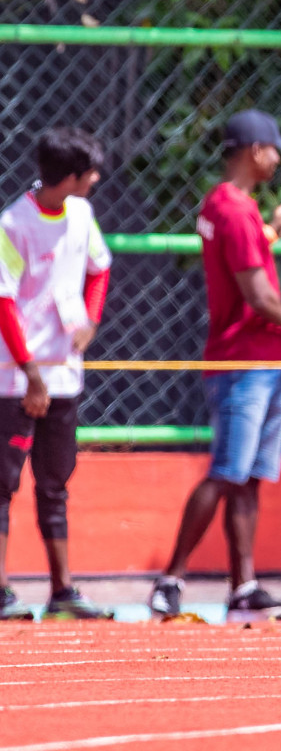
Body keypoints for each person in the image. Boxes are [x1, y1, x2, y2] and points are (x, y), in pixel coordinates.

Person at [150, 110, 281, 621]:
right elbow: (257, 293)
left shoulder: (230, 208)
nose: (278, 157)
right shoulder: (235, 209)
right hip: (247, 359)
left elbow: (248, 260)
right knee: (227, 472)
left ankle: (244, 585)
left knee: (247, 478)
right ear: (253, 150)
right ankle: (170, 579)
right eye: (272, 148)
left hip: (258, 359)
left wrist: (274, 231)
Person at [0, 128, 114, 621]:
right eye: (89, 172)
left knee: (56, 482)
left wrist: (90, 318)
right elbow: (4, 300)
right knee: (3, 483)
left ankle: (62, 589)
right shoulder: (13, 224)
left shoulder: (82, 215)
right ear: (68, 177)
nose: (96, 179)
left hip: (64, 376)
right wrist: (31, 375)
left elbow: (99, 267)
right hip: (16, 379)